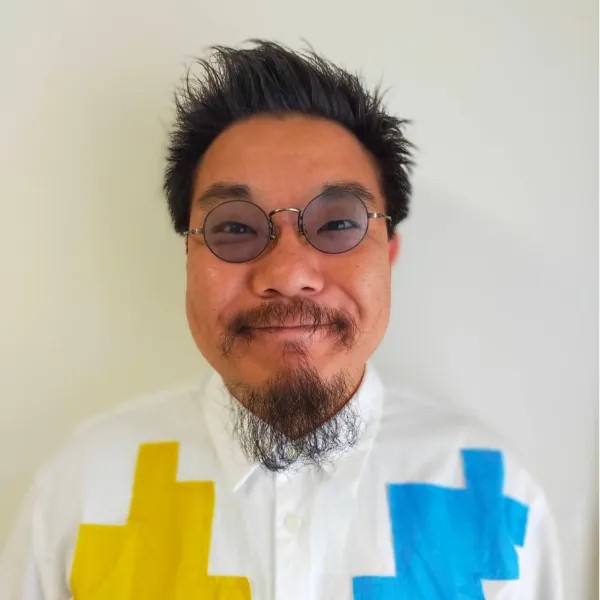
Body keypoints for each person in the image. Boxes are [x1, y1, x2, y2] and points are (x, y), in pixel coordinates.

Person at [0, 40, 563, 599]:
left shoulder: (498, 498)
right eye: (235, 228)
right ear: (189, 257)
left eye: (337, 224)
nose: (288, 274)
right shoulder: (82, 491)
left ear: (388, 253)